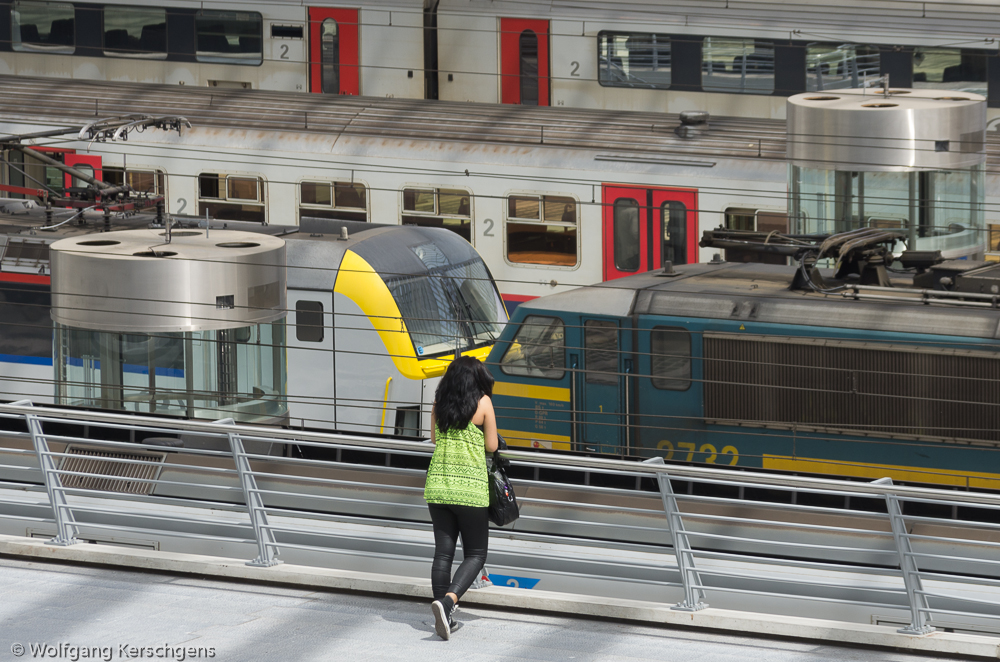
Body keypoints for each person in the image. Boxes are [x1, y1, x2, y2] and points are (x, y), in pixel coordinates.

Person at [424, 356, 499, 640]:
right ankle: (447, 604)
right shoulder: (483, 404)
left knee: (443, 553)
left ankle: (443, 617)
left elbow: (433, 439)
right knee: (476, 554)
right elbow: (491, 445)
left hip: (438, 487)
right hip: (469, 490)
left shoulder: (439, 405)